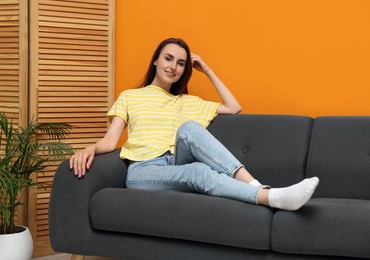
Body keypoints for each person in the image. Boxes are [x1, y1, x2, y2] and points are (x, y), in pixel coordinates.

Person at [70, 37, 319, 211]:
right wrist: (90, 148)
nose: (173, 67)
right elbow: (111, 141)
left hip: (176, 161)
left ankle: (255, 185)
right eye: (168, 58)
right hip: (144, 171)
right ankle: (271, 196)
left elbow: (234, 107)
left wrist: (208, 70)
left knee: (189, 128)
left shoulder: (188, 102)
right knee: (199, 171)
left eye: (180, 63)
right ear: (155, 60)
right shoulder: (130, 96)